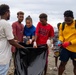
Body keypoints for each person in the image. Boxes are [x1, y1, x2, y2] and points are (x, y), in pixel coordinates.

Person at [0, 4, 25, 75]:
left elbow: (5, 38)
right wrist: (23, 48)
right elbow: (11, 41)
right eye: (9, 12)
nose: (10, 14)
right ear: (6, 12)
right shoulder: (6, 24)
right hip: (3, 58)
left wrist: (15, 41)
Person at [58, 10, 76, 75]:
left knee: (75, 65)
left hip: (75, 49)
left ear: (73, 18)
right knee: (62, 63)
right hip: (66, 48)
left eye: (69, 21)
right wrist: (60, 40)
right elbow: (61, 35)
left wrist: (70, 42)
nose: (67, 22)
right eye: (66, 21)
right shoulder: (62, 25)